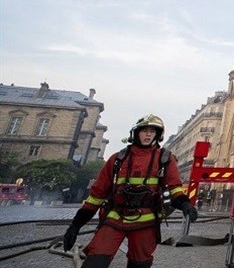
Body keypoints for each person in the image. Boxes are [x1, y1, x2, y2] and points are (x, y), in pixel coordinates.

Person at [62, 114, 198, 268]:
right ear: (135, 133)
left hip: (146, 221)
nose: (148, 134)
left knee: (139, 264)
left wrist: (186, 205)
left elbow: (175, 189)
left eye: (152, 131)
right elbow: (96, 196)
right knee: (96, 259)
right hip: (115, 217)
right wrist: (75, 226)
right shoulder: (117, 159)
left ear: (158, 135)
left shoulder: (165, 159)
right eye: (144, 130)